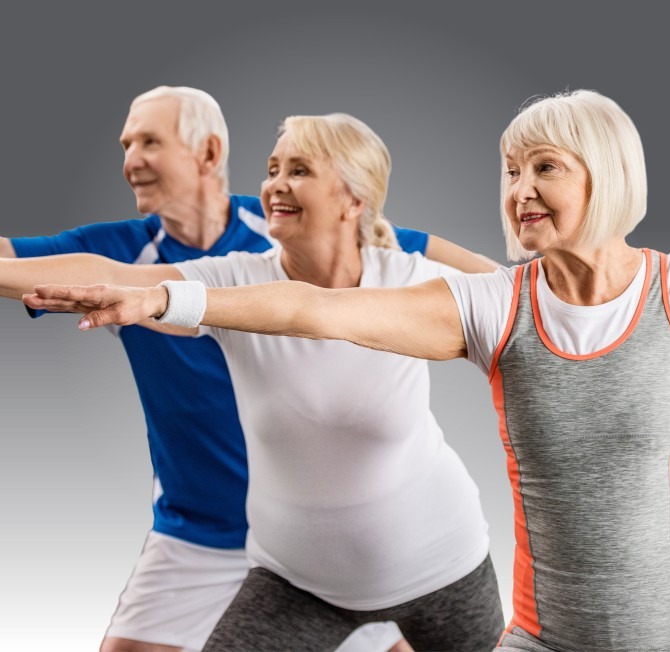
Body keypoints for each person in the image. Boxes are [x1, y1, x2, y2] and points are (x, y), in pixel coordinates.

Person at [37, 90, 670, 651]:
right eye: (510, 171)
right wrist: (163, 298)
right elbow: (313, 310)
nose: (519, 190)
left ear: (606, 173)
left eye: (544, 167)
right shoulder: (496, 304)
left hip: (552, 598)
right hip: (488, 627)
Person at [0, 87, 498, 652]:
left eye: (299, 170)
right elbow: (113, 273)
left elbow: (502, 301)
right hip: (285, 571)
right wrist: (149, 297)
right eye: (272, 169)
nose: (276, 184)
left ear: (352, 200)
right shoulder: (231, 274)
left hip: (435, 562)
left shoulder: (403, 274)